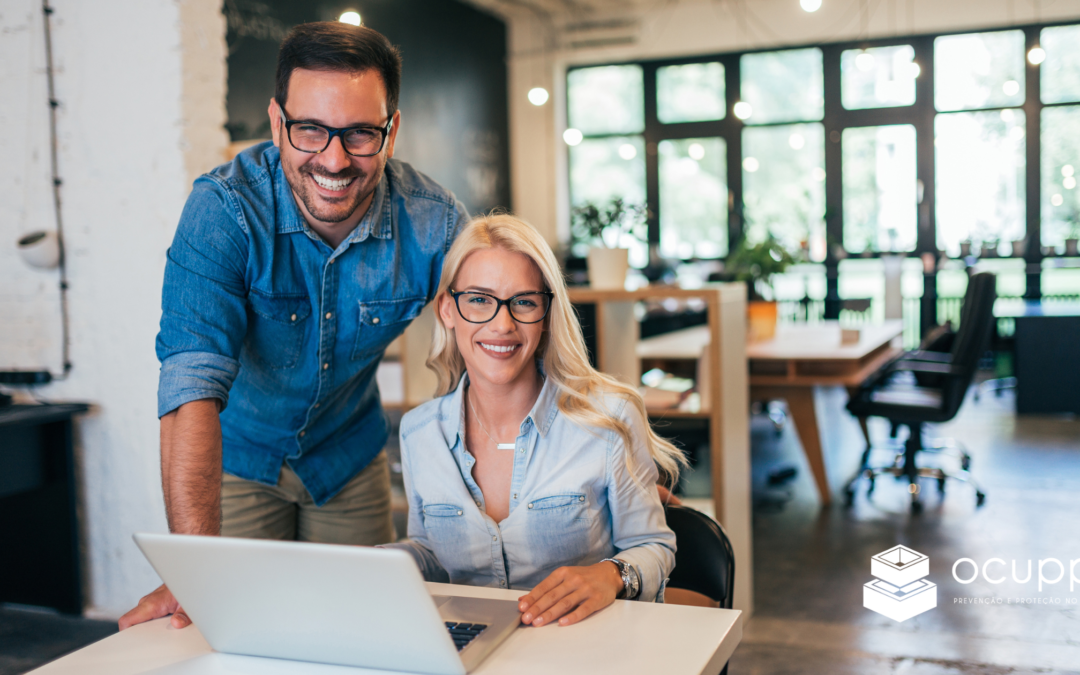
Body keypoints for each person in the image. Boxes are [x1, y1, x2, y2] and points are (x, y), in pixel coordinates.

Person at [119, 22, 468, 630]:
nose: (334, 160)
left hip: (348, 457)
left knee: (364, 634)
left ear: (391, 130)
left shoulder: (433, 224)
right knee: (234, 632)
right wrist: (194, 568)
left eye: (361, 133)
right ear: (278, 122)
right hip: (236, 459)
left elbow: (509, 343)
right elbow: (189, 385)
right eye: (310, 130)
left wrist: (605, 459)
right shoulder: (223, 211)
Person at [382, 214, 686, 626]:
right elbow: (432, 554)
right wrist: (379, 562)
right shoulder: (419, 432)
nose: (502, 324)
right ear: (447, 310)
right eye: (479, 300)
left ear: (545, 315)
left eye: (523, 302)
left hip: (583, 649)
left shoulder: (608, 419)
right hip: (471, 649)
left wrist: (610, 576)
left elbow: (653, 545)